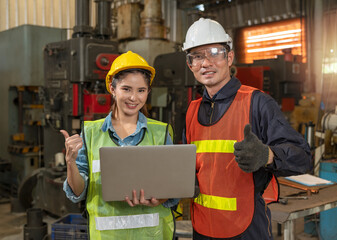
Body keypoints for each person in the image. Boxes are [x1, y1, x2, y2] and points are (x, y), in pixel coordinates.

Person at [182, 18, 312, 239]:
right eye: (197, 56)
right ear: (190, 64)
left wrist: (268, 155)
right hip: (202, 227)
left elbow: (303, 158)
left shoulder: (257, 103)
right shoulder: (192, 111)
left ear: (230, 57)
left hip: (246, 227)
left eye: (214, 52)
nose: (206, 63)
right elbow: (187, 168)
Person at [61, 51, 178, 239]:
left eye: (141, 90)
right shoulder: (91, 133)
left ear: (148, 92)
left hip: (151, 235)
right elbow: (78, 192)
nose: (134, 98)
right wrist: (71, 162)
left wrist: (159, 199)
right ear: (112, 88)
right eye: (126, 89)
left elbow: (173, 187)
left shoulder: (161, 132)